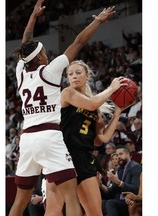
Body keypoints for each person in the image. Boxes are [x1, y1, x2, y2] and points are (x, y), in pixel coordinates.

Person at [8, 1, 116, 215]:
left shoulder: (21, 72)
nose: (47, 54)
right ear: (39, 57)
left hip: (27, 140)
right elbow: (78, 42)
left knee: (19, 203)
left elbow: (25, 42)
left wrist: (33, 17)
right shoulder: (49, 71)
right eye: (44, 52)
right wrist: (98, 21)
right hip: (49, 136)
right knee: (71, 198)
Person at [45, 59, 133, 216]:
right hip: (62, 157)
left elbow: (102, 139)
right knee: (54, 210)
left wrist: (118, 112)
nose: (74, 76)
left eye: (78, 73)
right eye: (70, 74)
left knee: (95, 212)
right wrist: (111, 89)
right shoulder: (67, 93)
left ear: (87, 75)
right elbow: (92, 103)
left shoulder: (95, 109)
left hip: (83, 158)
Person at [98, 145, 142, 216]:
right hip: (119, 200)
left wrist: (119, 182)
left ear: (127, 154)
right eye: (117, 154)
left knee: (110, 203)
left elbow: (136, 189)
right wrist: (100, 184)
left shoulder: (136, 167)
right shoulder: (120, 169)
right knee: (101, 203)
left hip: (130, 201)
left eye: (121, 154)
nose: (118, 157)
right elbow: (111, 191)